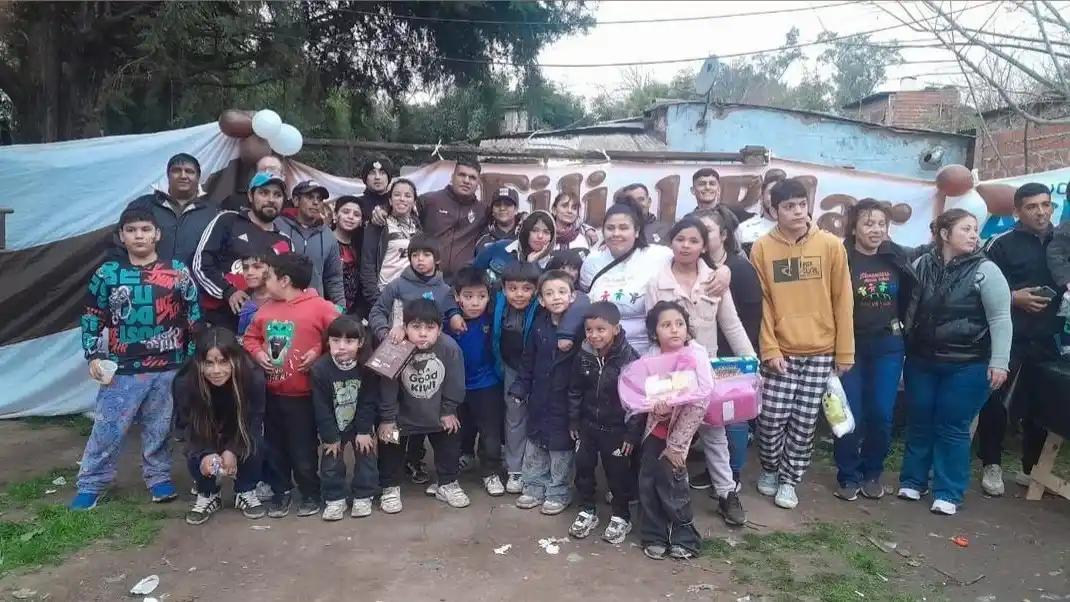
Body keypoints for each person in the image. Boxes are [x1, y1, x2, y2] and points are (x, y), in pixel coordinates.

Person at [72, 207, 201, 510]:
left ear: (157, 234)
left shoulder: (177, 272)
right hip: (123, 368)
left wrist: (191, 360)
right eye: (131, 230)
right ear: (121, 236)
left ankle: (158, 478)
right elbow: (92, 316)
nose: (139, 235)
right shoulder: (107, 274)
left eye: (145, 229)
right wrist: (93, 355)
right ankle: (91, 484)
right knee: (108, 427)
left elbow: (194, 318)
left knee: (159, 428)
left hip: (169, 366)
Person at [898, 208, 1012, 516]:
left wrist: (999, 361)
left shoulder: (986, 271)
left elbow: (1001, 319)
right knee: (920, 420)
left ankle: (948, 491)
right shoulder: (921, 264)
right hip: (922, 359)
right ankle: (913, 480)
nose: (974, 235)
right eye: (966, 229)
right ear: (944, 234)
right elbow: (909, 308)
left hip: (968, 363)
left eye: (975, 229)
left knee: (952, 425)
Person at [750, 178, 854, 510]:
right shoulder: (762, 248)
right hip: (781, 351)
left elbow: (843, 299)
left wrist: (845, 350)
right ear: (773, 211)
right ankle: (769, 468)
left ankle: (789, 480)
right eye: (788, 206)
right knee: (771, 419)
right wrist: (770, 348)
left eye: (801, 204)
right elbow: (763, 303)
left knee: (804, 422)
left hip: (821, 351)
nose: (797, 211)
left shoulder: (831, 246)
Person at [646, 217, 753, 526]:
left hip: (707, 372)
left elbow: (731, 324)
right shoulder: (657, 282)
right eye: (680, 239)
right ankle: (662, 496)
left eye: (694, 241)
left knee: (715, 434)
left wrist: (751, 363)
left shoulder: (715, 280)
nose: (686, 246)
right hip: (671, 374)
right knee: (664, 433)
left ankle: (726, 493)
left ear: (704, 245)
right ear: (671, 242)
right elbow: (653, 331)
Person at [830, 199, 919, 502]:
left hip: (888, 346)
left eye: (882, 224)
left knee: (881, 413)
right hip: (849, 347)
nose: (876, 229)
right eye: (869, 224)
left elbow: (909, 295)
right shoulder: (841, 257)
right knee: (849, 413)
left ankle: (872, 473)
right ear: (854, 227)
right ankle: (848, 475)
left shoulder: (895, 257)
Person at [975, 183, 1062, 496]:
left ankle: (1031, 469)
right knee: (995, 399)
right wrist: (1013, 297)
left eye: (1046, 205)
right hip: (1008, 335)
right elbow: (979, 284)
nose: (1041, 212)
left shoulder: (1061, 241)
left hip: (1049, 336)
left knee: (1045, 403)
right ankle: (992, 464)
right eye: (1032, 207)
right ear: (1017, 211)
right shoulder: (1001, 244)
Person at [243, 252, 340, 518]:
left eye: (269, 276)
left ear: (284, 280)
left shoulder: (321, 307)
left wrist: (319, 351)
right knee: (274, 447)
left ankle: (310, 493)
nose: (264, 281)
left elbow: (341, 335)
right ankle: (281, 491)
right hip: (271, 394)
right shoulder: (265, 310)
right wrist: (258, 354)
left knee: (303, 449)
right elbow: (250, 338)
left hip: (304, 396)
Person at [579, 200, 730, 355]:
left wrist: (723, 271)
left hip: (647, 352)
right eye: (610, 228)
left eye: (623, 228)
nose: (616, 233)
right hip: (603, 351)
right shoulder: (592, 262)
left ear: (636, 231)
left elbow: (690, 259)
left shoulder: (659, 255)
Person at [692, 206, 762, 493]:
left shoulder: (740, 269)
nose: (699, 236)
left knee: (732, 416)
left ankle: (732, 474)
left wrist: (747, 361)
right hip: (703, 354)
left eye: (706, 231)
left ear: (723, 235)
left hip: (731, 356)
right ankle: (714, 471)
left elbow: (748, 318)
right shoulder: (697, 266)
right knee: (711, 418)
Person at [377, 298, 470, 512]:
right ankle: (390, 487)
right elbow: (387, 388)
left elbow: (456, 383)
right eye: (416, 327)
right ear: (405, 328)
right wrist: (388, 418)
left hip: (437, 413)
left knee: (452, 431)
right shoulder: (394, 348)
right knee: (388, 439)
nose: (422, 333)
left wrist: (448, 410)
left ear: (439, 329)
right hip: (402, 416)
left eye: (430, 328)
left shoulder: (449, 348)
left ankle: (447, 483)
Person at [637, 301, 710, 560]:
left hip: (678, 438)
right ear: (654, 332)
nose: (674, 329)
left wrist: (676, 446)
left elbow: (699, 403)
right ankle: (654, 536)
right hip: (653, 434)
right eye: (666, 325)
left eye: (679, 324)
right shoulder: (649, 358)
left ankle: (685, 539)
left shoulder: (696, 356)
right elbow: (643, 396)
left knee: (674, 487)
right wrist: (658, 411)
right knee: (648, 485)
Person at [174, 327, 267, 525]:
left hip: (240, 424)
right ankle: (207, 493)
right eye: (209, 363)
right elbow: (187, 426)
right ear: (199, 362)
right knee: (195, 452)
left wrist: (233, 449)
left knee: (255, 441)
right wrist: (205, 454)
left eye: (224, 361)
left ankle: (245, 490)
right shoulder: (184, 382)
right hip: (204, 426)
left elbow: (254, 421)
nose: (216, 371)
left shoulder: (253, 377)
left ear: (235, 359)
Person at [567, 302, 641, 544]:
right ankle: (587, 510)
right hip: (588, 425)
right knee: (583, 469)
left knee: (618, 475)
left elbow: (638, 400)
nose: (594, 335)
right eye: (589, 330)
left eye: (601, 329)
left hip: (616, 429)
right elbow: (575, 390)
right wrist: (574, 421)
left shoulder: (630, 359)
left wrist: (631, 434)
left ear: (616, 329)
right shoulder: (583, 355)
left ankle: (621, 516)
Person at [510, 269, 582, 515]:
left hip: (565, 398)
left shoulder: (579, 329)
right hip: (540, 395)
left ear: (573, 296)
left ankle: (558, 491)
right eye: (549, 293)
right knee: (536, 443)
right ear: (541, 300)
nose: (556, 297)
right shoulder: (539, 326)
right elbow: (528, 360)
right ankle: (534, 486)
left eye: (562, 292)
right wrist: (520, 386)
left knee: (561, 448)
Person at [193, 171, 293, 331]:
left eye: (277, 195)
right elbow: (201, 264)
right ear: (251, 196)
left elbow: (288, 286)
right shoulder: (228, 220)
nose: (271, 199)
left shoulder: (285, 242)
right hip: (219, 322)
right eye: (264, 193)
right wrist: (228, 291)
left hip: (265, 327)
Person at [311, 316, 380, 520]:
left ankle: (363, 495)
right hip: (334, 422)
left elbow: (369, 400)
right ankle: (334, 498)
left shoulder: (367, 366)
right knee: (331, 459)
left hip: (360, 421)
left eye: (349, 341)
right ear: (328, 342)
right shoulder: (320, 369)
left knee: (366, 455)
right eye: (335, 340)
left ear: (360, 342)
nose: (342, 346)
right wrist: (330, 436)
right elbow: (321, 407)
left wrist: (364, 430)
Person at [447, 268, 506, 496]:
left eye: (481, 296)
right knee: (460, 427)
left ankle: (490, 471)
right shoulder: (448, 322)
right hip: (456, 385)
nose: (475, 302)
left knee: (490, 430)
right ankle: (463, 457)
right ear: (457, 297)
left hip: (486, 383)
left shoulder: (492, 318)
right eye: (468, 296)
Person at [115, 153, 218, 266]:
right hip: (146, 276)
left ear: (198, 177)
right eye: (176, 171)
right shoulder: (143, 205)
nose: (183, 176)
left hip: (196, 277)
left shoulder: (213, 212)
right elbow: (120, 241)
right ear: (168, 175)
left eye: (189, 171)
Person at [491, 262, 542, 494]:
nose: (519, 294)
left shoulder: (543, 307)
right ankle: (515, 469)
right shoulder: (497, 304)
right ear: (503, 289)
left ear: (536, 290)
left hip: (540, 370)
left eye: (526, 288)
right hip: (510, 367)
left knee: (538, 416)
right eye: (513, 288)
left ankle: (535, 467)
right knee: (514, 416)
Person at [368, 234, 463, 345]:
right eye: (415, 255)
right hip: (399, 346)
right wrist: (386, 334)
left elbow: (450, 325)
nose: (420, 259)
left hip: (435, 349)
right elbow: (377, 312)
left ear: (437, 259)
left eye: (426, 255)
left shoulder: (446, 291)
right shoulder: (397, 285)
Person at [274, 180, 345, 305]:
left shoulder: (328, 235)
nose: (316, 202)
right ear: (296, 200)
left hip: (312, 307)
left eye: (319, 199)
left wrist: (341, 306)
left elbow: (333, 277)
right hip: (278, 303)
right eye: (310, 197)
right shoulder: (277, 226)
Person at [416, 158, 490, 279]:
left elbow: (508, 218)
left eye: (472, 177)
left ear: (478, 183)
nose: (466, 181)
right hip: (428, 278)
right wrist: (384, 209)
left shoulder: (483, 210)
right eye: (462, 175)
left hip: (463, 281)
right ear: (452, 177)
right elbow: (400, 212)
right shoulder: (428, 201)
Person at [360, 178, 422, 311]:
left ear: (414, 202)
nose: (402, 199)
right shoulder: (379, 225)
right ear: (390, 200)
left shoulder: (417, 226)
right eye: (397, 195)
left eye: (407, 195)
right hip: (385, 295)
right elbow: (368, 264)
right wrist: (376, 299)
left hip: (412, 296)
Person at [473, 209, 556, 288]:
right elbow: (472, 274)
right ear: (526, 232)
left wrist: (530, 265)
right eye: (535, 230)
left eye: (546, 232)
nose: (540, 236)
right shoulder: (502, 247)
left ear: (552, 238)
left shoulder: (552, 265)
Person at [332, 195, 368, 318]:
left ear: (361, 221)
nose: (351, 217)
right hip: (328, 310)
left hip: (352, 314)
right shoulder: (325, 241)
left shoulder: (360, 247)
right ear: (335, 215)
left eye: (356, 214)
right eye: (346, 212)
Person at [737, 170, 787, 256]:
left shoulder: (798, 228)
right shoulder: (744, 229)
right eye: (771, 192)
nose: (776, 197)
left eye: (781, 193)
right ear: (762, 196)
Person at [476, 186, 522, 252]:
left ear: (516, 209)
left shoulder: (526, 233)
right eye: (497, 205)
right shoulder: (483, 237)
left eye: (508, 204)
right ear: (492, 210)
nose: (502, 208)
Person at [236, 254, 270, 339]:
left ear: (271, 269)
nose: (249, 272)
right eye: (245, 268)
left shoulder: (282, 299)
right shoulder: (241, 300)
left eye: (257, 267)